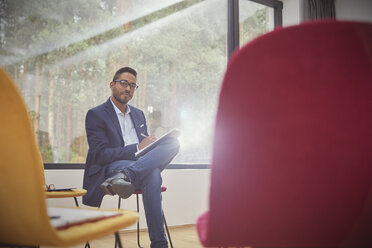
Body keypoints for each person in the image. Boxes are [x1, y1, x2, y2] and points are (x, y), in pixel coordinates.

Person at [82, 66, 179, 248]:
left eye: (133, 85)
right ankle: (160, 244)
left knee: (173, 143)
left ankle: (128, 175)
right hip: (112, 167)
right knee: (153, 174)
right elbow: (101, 154)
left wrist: (150, 145)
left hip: (136, 164)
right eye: (124, 83)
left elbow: (144, 145)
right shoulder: (96, 114)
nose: (128, 89)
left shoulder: (138, 114)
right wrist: (136, 147)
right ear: (112, 85)